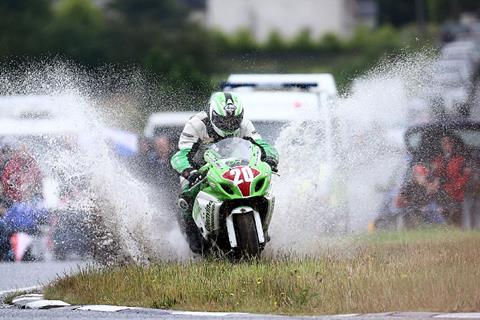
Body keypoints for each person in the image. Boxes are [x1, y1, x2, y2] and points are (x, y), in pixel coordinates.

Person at [170, 92, 279, 254]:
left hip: (235, 164)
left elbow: (263, 145)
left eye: (234, 120)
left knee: (263, 183)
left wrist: (270, 158)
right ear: (213, 115)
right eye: (224, 120)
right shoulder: (196, 124)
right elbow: (180, 155)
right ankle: (192, 233)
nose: (229, 125)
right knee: (186, 197)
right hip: (199, 167)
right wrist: (189, 171)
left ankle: (262, 227)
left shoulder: (245, 124)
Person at [431, 133, 472, 227]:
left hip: (458, 193)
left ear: (453, 143)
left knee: (457, 217)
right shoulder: (438, 159)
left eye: (448, 142)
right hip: (443, 193)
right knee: (444, 215)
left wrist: (456, 187)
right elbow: (435, 175)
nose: (446, 144)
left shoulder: (461, 159)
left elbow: (466, 175)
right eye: (443, 142)